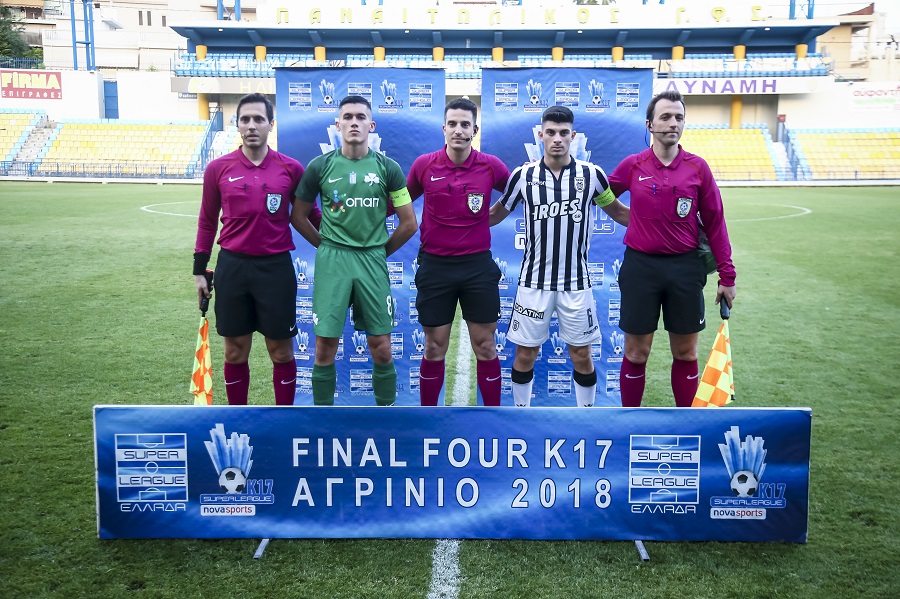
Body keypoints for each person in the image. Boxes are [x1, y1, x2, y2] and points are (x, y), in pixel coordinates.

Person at [490, 105, 629, 407]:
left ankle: (586, 417)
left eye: (563, 133)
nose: (557, 139)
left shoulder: (592, 175)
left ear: (573, 136)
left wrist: (662, 221)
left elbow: (618, 212)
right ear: (540, 135)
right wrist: (456, 221)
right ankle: (521, 414)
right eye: (550, 132)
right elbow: (495, 215)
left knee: (581, 355)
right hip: (533, 283)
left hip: (576, 284)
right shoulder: (522, 176)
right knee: (525, 354)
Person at [608, 89, 736, 408]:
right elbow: (602, 192)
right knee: (636, 352)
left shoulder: (698, 168)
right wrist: (626, 216)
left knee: (686, 352)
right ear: (649, 125)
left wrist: (727, 276)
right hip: (640, 269)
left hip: (685, 269)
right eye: (665, 117)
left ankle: (687, 422)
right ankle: (630, 421)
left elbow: (715, 222)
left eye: (679, 117)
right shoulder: (633, 165)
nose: (673, 123)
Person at [194, 92, 321, 406]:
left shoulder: (290, 169)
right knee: (235, 351)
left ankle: (284, 420)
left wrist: (341, 244)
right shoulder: (218, 169)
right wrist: (199, 271)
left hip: (275, 270)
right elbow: (207, 221)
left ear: (270, 124)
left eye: (259, 119)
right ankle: (239, 418)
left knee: (281, 352)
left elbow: (313, 215)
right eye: (245, 119)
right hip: (233, 268)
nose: (252, 125)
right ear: (237, 124)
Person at [292, 95, 418, 407]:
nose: (354, 122)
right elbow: (298, 216)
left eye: (360, 117)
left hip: (372, 260)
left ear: (371, 125)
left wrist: (378, 252)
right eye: (347, 117)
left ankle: (386, 413)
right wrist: (326, 246)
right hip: (333, 261)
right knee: (325, 346)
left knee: (381, 346)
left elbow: (409, 223)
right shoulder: (320, 166)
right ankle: (323, 420)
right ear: (337, 124)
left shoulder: (388, 168)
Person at [405, 98, 511, 407]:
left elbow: (518, 193)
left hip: (477, 267)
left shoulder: (491, 165)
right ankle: (429, 416)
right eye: (452, 124)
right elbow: (399, 202)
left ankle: (492, 417)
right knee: (434, 347)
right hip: (435, 267)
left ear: (474, 130)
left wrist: (491, 217)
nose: (458, 130)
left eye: (465, 125)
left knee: (486, 346)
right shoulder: (424, 165)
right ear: (444, 128)